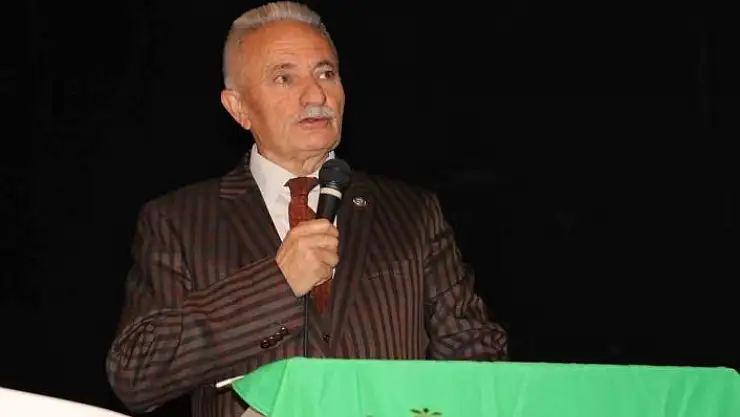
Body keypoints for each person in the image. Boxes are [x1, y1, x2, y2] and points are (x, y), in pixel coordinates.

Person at [105, 2, 508, 416]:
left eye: (326, 73)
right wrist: (277, 284)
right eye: (284, 77)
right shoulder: (179, 221)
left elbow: (477, 360)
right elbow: (136, 374)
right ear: (238, 107)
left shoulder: (411, 213)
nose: (316, 95)